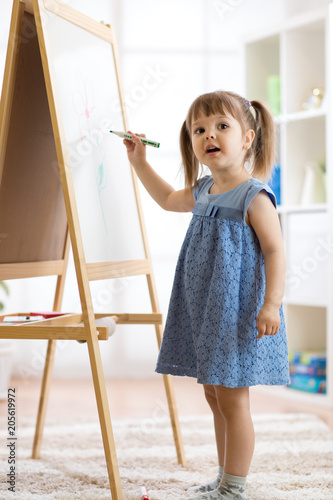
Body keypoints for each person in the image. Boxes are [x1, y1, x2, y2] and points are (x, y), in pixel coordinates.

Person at [123, 90, 290, 500]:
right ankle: (224, 476)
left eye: (221, 126)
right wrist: (140, 162)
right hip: (205, 311)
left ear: (247, 139)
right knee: (215, 396)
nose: (208, 135)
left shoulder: (254, 196)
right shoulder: (203, 191)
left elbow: (275, 251)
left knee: (233, 401)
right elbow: (164, 199)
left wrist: (271, 304)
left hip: (236, 315)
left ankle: (235, 487)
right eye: (199, 129)